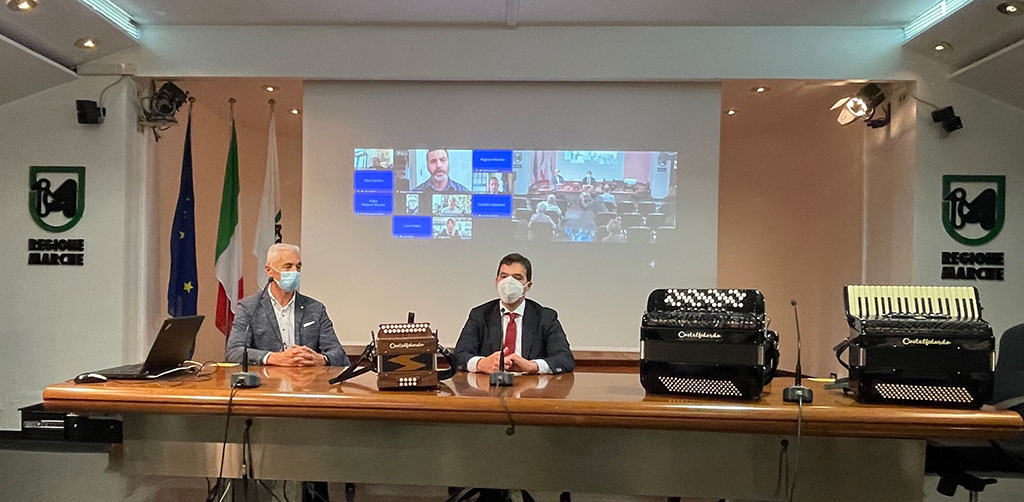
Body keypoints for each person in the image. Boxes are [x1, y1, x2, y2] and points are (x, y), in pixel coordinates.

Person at [225, 243, 349, 367]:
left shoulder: (315, 309)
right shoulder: (249, 308)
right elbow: (234, 352)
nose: (295, 272)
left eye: (298, 267)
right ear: (269, 271)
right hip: (267, 378)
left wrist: (322, 359)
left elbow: (338, 354)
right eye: (288, 266)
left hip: (307, 378)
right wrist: (272, 358)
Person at [454, 253, 574, 374]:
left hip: (530, 383)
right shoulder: (480, 315)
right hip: (489, 383)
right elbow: (459, 355)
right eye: (504, 276)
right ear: (496, 281)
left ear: (528, 285)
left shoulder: (545, 317)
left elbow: (565, 359)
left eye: (517, 277)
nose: (509, 282)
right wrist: (481, 364)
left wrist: (533, 366)